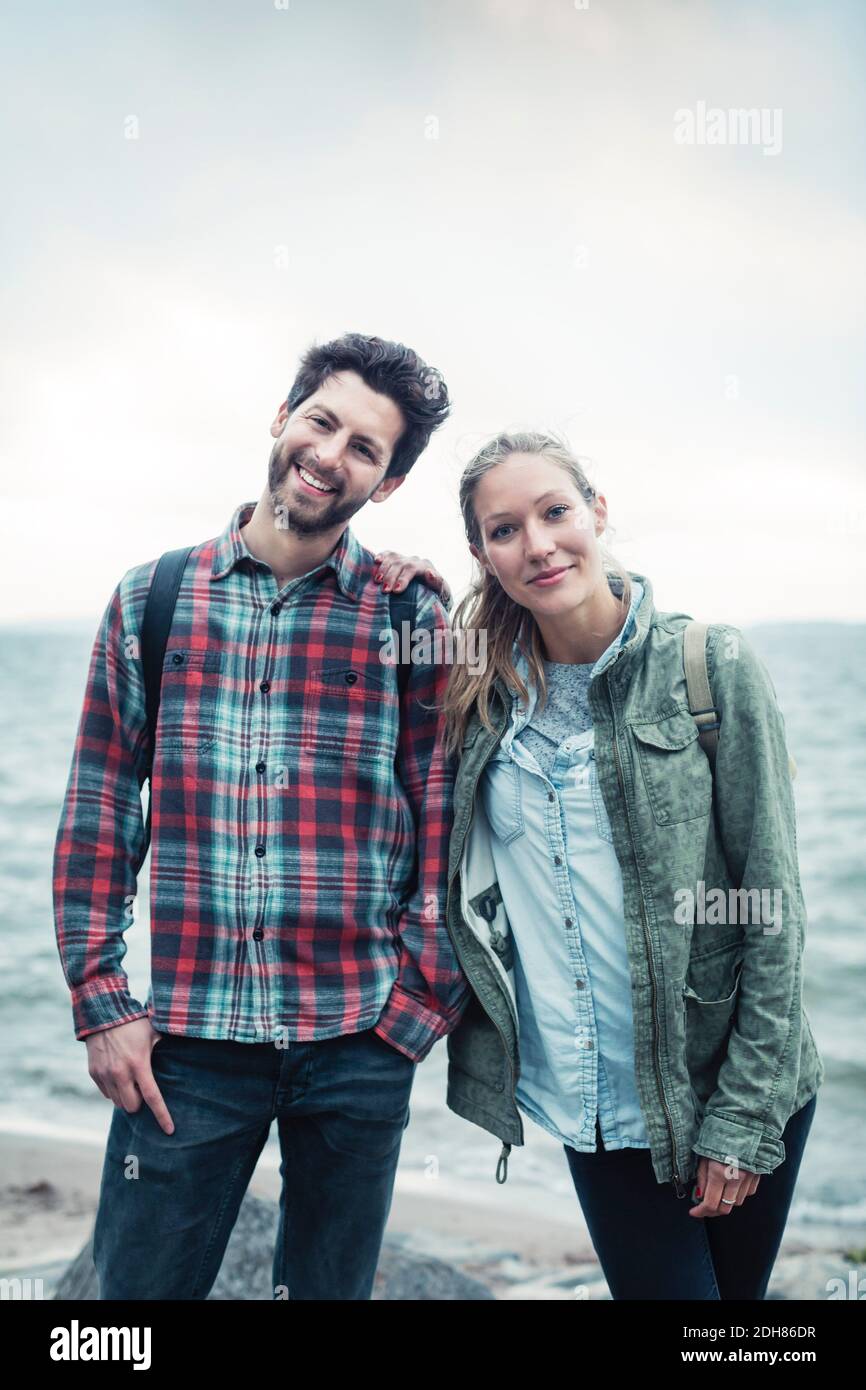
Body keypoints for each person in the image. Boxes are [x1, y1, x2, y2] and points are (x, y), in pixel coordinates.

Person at [52, 332, 471, 1301]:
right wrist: (101, 1002)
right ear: (281, 419)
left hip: (358, 1043)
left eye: (366, 447)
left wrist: (413, 1011)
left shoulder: (410, 618)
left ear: (388, 482)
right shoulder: (151, 599)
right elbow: (99, 814)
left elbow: (443, 820)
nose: (331, 454)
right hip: (188, 1050)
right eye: (321, 421)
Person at [378, 430, 824, 1300]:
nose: (538, 544)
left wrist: (741, 1119)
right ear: (482, 555)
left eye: (555, 512)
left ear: (598, 512)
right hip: (595, 1105)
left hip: (729, 1080)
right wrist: (391, 580)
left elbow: (770, 907)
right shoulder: (475, 691)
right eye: (504, 530)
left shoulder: (710, 667)